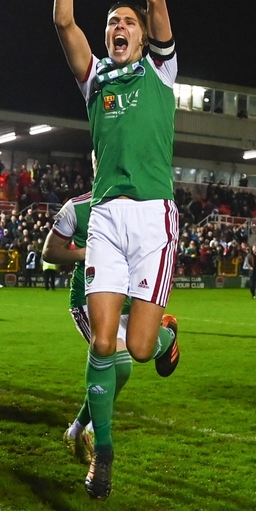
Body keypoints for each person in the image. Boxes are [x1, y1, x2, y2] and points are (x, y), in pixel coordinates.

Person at [52, 0, 183, 499]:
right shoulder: (96, 80)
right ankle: (101, 452)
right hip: (105, 217)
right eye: (113, 23)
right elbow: (62, 21)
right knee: (104, 343)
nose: (120, 26)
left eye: (126, 20)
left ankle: (165, 334)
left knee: (139, 346)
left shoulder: (161, 69)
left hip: (154, 218)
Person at [45, 190, 179, 464]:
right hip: (89, 297)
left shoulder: (144, 204)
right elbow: (50, 251)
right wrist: (88, 252)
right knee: (120, 365)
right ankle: (91, 432)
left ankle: (76, 429)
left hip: (130, 295)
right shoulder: (77, 208)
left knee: (137, 349)